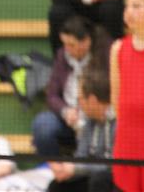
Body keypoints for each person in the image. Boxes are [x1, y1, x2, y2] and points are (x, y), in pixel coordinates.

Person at [32, 16, 111, 157]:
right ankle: (54, 166)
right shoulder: (62, 56)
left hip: (94, 116)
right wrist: (66, 111)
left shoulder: (105, 55)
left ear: (86, 41)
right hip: (67, 118)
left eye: (71, 45)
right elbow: (51, 95)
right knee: (42, 125)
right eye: (64, 44)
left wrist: (87, 113)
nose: (67, 49)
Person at [48, 69, 116, 192]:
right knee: (56, 186)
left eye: (80, 99)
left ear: (92, 100)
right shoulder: (89, 122)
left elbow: (111, 166)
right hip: (90, 176)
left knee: (99, 179)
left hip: (110, 180)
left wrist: (76, 168)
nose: (78, 105)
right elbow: (81, 156)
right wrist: (65, 168)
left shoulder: (118, 122)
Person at [110, 0, 144, 192]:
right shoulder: (117, 49)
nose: (129, 12)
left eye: (136, 6)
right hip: (126, 148)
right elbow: (116, 101)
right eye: (127, 6)